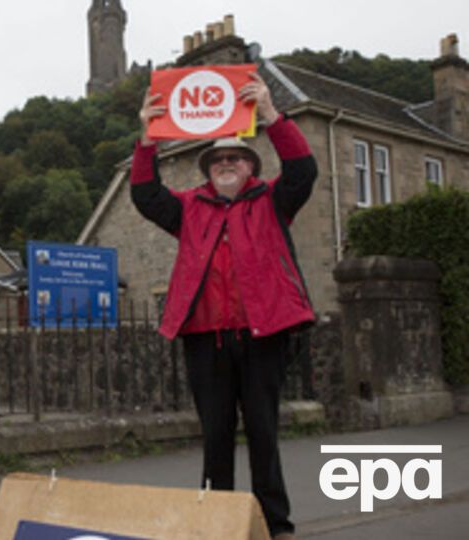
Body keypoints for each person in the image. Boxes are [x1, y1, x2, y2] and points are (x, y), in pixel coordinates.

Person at [130, 72, 317, 540]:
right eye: (218, 159)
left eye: (235, 157)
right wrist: (147, 140)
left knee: (263, 433)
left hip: (263, 336)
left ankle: (276, 525)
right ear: (208, 168)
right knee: (215, 437)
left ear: (250, 165)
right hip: (205, 340)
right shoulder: (189, 207)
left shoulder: (274, 200)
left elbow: (303, 171)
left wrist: (272, 115)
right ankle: (215, 526)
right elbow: (145, 196)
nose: (226, 163)